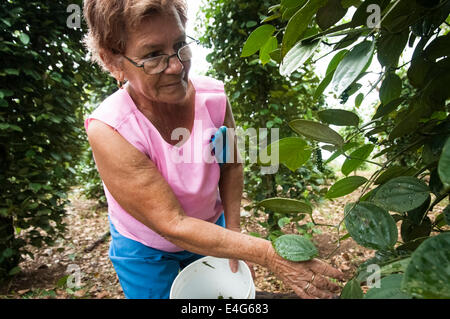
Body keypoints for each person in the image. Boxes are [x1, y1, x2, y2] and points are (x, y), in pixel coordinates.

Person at [82, 0, 344, 299]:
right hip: (145, 249)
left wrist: (232, 232)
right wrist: (269, 255)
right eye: (153, 55)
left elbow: (231, 165)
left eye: (180, 44)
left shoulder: (214, 99)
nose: (177, 66)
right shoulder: (111, 129)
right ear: (113, 61)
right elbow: (172, 223)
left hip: (210, 228)